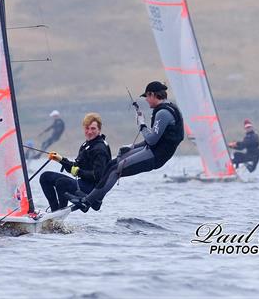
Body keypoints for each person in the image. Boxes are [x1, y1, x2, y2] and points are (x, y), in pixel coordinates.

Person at [67, 81, 184, 212]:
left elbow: (151, 140)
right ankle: (94, 198)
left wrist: (142, 125)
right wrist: (133, 147)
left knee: (116, 169)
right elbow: (156, 140)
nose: (146, 99)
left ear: (153, 94)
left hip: (156, 156)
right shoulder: (168, 107)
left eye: (146, 96)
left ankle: (88, 201)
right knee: (111, 164)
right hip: (152, 150)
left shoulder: (163, 113)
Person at [40, 113, 111, 211]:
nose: (89, 131)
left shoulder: (100, 149)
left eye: (93, 128)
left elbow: (98, 176)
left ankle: (59, 215)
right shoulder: (87, 145)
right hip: (82, 184)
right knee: (45, 177)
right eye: (87, 128)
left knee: (62, 183)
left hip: (93, 192)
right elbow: (75, 167)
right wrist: (61, 159)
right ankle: (54, 212)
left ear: (99, 130)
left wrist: (78, 172)